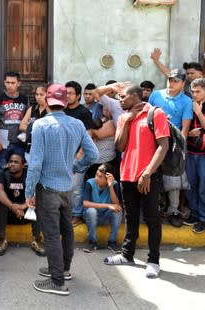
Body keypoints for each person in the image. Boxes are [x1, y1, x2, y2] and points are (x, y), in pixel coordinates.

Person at [25, 83, 98, 296]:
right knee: (66, 230)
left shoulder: (40, 125)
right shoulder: (76, 124)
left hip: (47, 188)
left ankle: (57, 282)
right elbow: (92, 155)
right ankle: (63, 270)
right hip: (67, 187)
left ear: (48, 101)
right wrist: (75, 167)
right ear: (65, 102)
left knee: (51, 234)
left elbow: (36, 163)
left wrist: (29, 191)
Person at [103, 84, 169, 279]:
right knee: (130, 217)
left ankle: (154, 261)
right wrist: (128, 120)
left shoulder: (155, 113)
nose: (120, 100)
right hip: (127, 175)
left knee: (152, 219)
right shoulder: (124, 117)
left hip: (148, 176)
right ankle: (126, 255)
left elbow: (163, 146)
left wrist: (147, 173)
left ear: (136, 96)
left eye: (123, 97)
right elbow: (120, 147)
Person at [149, 68, 193, 227]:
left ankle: (174, 210)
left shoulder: (187, 101)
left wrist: (179, 148)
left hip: (174, 143)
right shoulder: (155, 95)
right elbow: (147, 118)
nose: (171, 83)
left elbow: (185, 128)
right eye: (170, 80)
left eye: (175, 81)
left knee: (174, 179)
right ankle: (154, 210)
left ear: (182, 84)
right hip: (154, 142)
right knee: (153, 175)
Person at [0, 153, 45, 257]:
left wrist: (22, 207)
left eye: (16, 162)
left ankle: (37, 240)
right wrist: (12, 206)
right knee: (1, 203)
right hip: (9, 214)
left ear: (23, 165)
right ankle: (1, 240)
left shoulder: (29, 176)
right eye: (11, 161)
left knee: (39, 203)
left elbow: (37, 193)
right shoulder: (3, 175)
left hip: (27, 213)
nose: (12, 164)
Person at [64, 81, 95, 227]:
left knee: (76, 188)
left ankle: (76, 214)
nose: (67, 96)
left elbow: (88, 135)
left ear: (77, 96)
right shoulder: (61, 110)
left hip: (77, 155)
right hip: (62, 154)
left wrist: (80, 153)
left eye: (70, 93)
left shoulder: (84, 113)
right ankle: (64, 213)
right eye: (66, 93)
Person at [0, 71, 29, 175]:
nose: (10, 85)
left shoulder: (25, 99)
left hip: (19, 142)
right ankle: (0, 190)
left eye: (13, 83)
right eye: (8, 82)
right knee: (1, 171)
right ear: (4, 82)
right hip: (3, 143)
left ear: (18, 83)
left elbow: (27, 120)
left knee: (19, 172)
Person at [82, 163, 122, 253]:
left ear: (108, 178)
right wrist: (107, 205)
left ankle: (112, 242)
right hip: (90, 217)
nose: (96, 178)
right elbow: (85, 203)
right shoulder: (90, 183)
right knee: (92, 211)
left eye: (100, 177)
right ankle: (92, 242)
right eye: (96, 175)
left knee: (118, 211)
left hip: (105, 216)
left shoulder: (114, 184)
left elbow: (116, 204)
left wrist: (111, 186)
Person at [184, 78, 205, 233]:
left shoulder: (197, 108)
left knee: (203, 188)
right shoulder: (188, 105)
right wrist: (189, 133)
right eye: (193, 91)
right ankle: (195, 215)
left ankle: (203, 219)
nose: (195, 94)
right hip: (190, 151)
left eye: (198, 91)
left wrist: (199, 112)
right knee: (190, 185)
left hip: (204, 154)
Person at [19, 84, 48, 160]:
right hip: (30, 148)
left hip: (46, 149)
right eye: (37, 94)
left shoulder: (51, 110)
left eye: (41, 94)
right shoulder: (32, 109)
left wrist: (30, 128)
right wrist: (38, 129)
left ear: (48, 95)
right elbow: (21, 126)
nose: (38, 97)